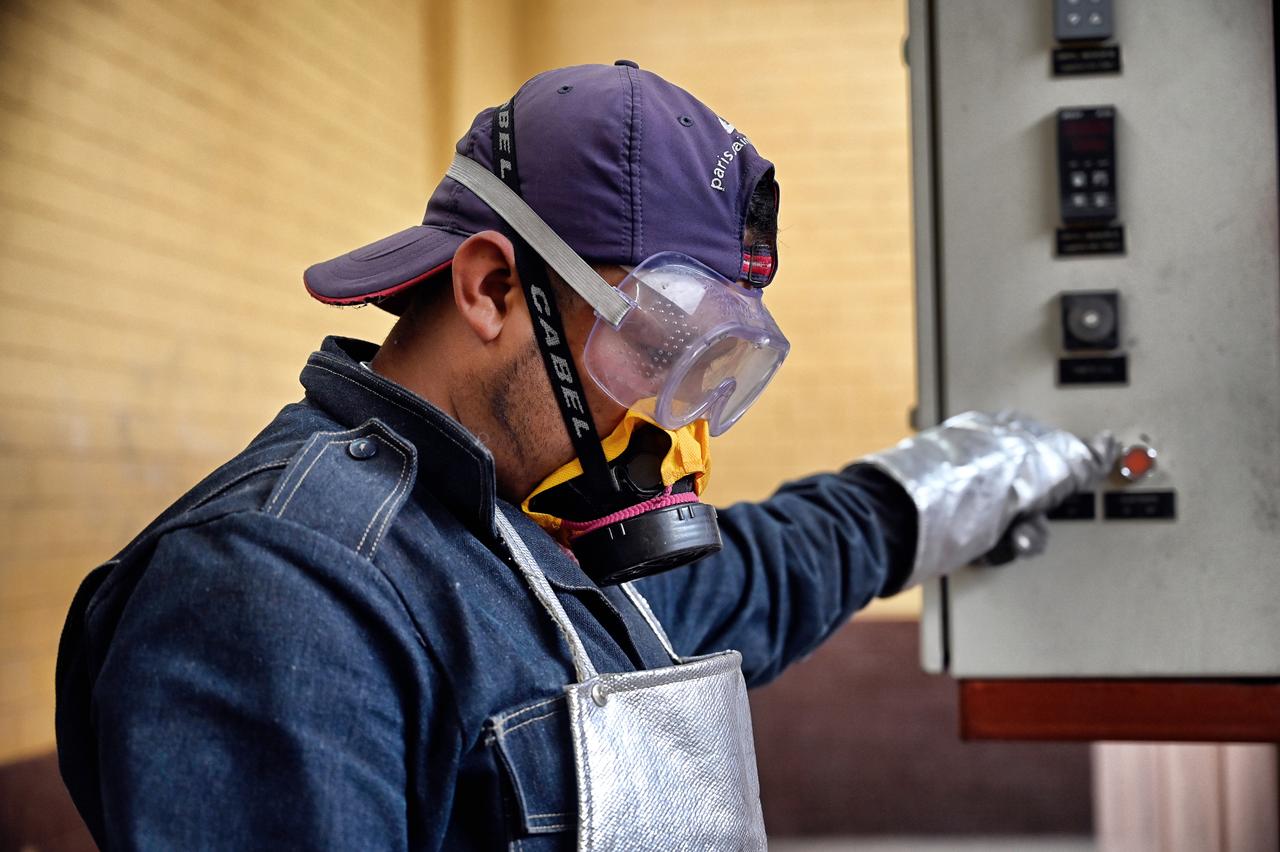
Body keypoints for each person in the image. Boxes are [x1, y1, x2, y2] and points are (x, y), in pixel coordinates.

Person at [55, 62, 1114, 850]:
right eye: (654, 348)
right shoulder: (279, 593)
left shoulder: (541, 545)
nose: (674, 430)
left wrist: (976, 472)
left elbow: (781, 565)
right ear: (490, 289)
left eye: (710, 370)